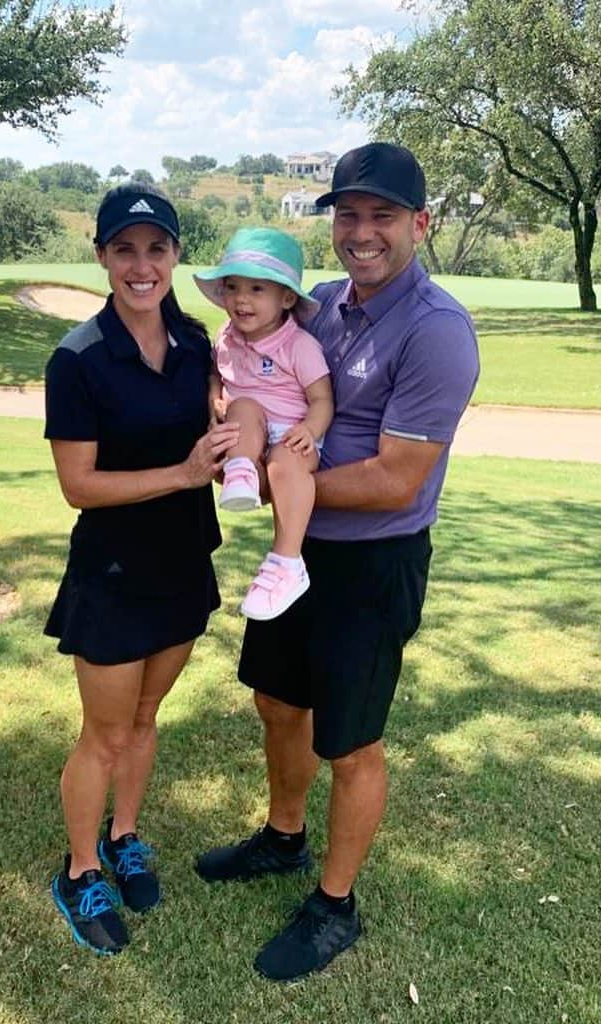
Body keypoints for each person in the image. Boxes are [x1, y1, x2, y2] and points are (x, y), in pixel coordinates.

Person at [195, 143, 480, 981]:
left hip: (372, 562)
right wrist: (230, 438)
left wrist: (290, 481)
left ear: (420, 225)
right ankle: (284, 838)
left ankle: (336, 903)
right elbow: (255, 372)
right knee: (278, 701)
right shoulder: (316, 305)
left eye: (382, 216)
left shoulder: (437, 333)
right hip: (301, 549)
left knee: (351, 743)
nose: (362, 232)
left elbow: (398, 479)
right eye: (347, 214)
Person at [43, 183, 239, 956]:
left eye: (156, 248)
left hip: (185, 560)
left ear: (176, 256)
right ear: (101, 257)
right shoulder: (80, 359)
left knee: (147, 719)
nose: (142, 265)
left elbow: (226, 423)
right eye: (124, 249)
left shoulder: (196, 344)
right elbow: (77, 487)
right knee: (104, 733)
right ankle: (82, 867)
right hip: (115, 573)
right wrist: (185, 474)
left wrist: (236, 459)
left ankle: (125, 835)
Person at [193, 227, 334, 620]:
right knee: (244, 408)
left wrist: (311, 429)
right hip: (248, 430)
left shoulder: (298, 346)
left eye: (257, 289)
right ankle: (241, 473)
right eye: (233, 287)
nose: (241, 299)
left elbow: (323, 398)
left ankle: (287, 561)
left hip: (291, 434)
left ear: (286, 298)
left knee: (285, 464)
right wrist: (214, 399)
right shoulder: (225, 338)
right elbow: (217, 374)